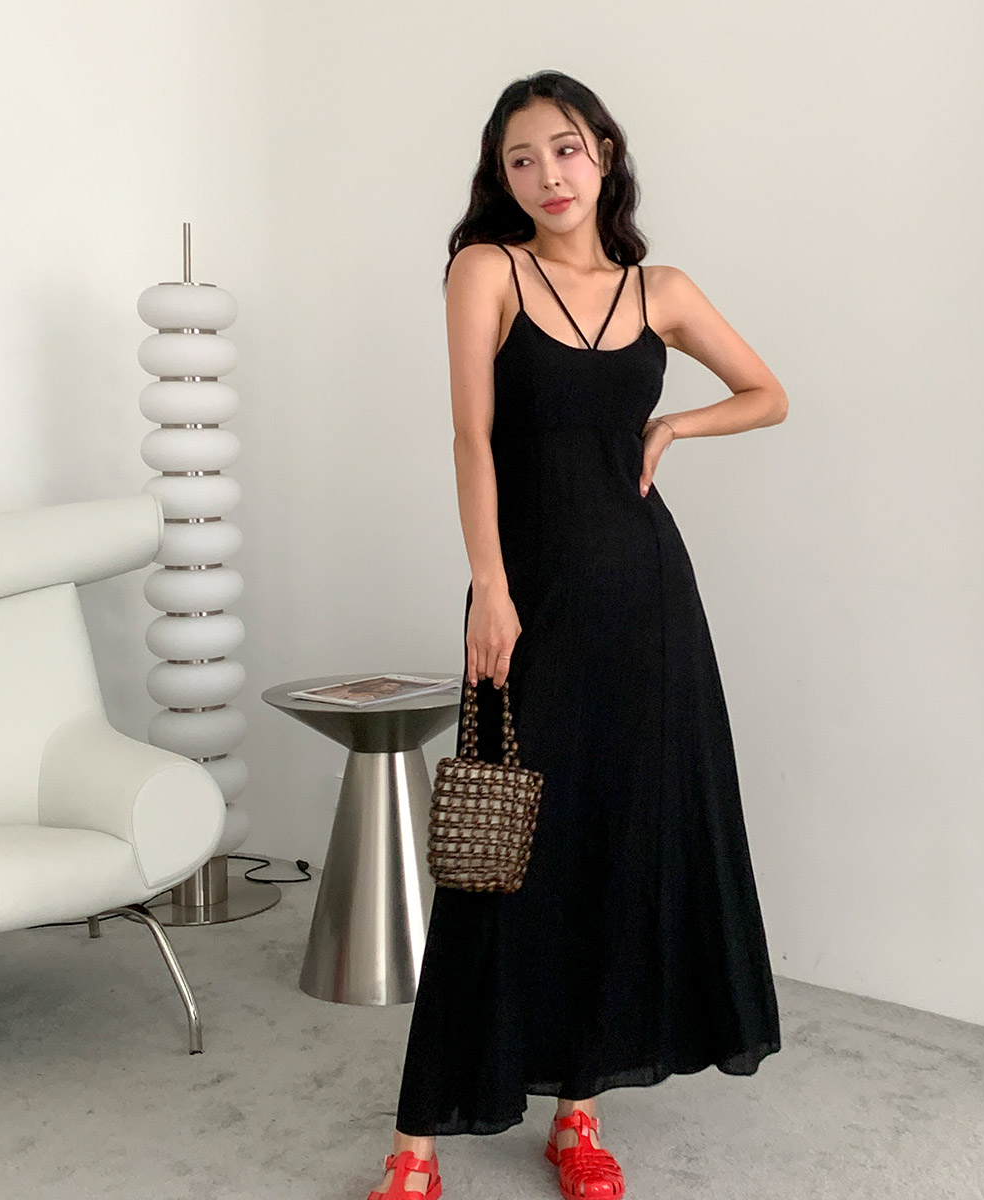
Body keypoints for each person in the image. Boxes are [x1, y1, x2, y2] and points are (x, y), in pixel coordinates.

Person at [365, 69, 788, 1200]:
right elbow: (470, 438)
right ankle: (418, 1138)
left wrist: (676, 424)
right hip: (529, 600)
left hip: (649, 607)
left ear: (603, 150)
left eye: (563, 148)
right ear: (500, 179)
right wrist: (488, 588)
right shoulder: (486, 270)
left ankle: (579, 1113)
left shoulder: (663, 290)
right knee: (496, 856)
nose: (546, 174)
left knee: (611, 847)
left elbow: (769, 393)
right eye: (520, 159)